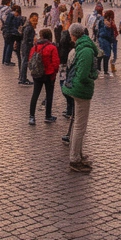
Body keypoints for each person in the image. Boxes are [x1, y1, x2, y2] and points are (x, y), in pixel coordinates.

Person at [63, 23, 97, 172]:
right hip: (81, 90)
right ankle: (75, 159)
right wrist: (91, 79)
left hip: (77, 88)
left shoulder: (81, 49)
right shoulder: (86, 49)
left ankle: (77, 155)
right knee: (80, 126)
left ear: (74, 35)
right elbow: (83, 75)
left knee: (79, 124)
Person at [27, 27, 60, 124]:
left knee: (35, 94)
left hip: (37, 74)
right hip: (49, 74)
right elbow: (55, 62)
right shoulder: (52, 47)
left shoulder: (35, 47)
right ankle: (48, 115)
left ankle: (32, 116)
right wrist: (55, 72)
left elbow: (30, 59)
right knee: (49, 95)